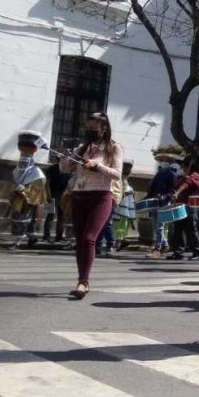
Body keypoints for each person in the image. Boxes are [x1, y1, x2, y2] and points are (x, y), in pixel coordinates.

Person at [60, 112, 123, 299]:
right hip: (79, 195)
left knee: (89, 238)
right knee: (80, 240)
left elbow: (117, 174)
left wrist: (97, 166)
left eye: (93, 128)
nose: (89, 132)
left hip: (101, 196)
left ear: (104, 128)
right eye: (87, 128)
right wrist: (65, 157)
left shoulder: (113, 148)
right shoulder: (82, 148)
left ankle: (83, 282)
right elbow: (64, 169)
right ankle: (82, 279)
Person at [10, 130, 51, 248]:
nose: (22, 163)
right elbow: (15, 180)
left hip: (27, 201)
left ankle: (17, 242)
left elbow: (37, 191)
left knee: (24, 219)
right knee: (21, 219)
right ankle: (31, 238)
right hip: (18, 199)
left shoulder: (37, 173)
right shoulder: (17, 170)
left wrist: (25, 191)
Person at [165, 157, 199, 261]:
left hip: (190, 206)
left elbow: (187, 184)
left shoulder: (194, 176)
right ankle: (178, 252)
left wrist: (177, 192)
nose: (182, 167)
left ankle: (197, 251)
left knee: (191, 229)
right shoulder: (182, 176)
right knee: (178, 228)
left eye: (184, 165)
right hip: (180, 205)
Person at [43, 155, 70, 242]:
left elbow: (68, 184)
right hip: (52, 194)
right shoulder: (52, 169)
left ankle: (59, 236)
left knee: (61, 216)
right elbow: (47, 183)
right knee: (50, 215)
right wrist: (48, 195)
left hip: (62, 196)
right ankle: (46, 236)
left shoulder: (67, 171)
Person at [112, 159, 136, 250]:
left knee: (123, 224)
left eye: (129, 167)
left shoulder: (125, 180)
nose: (128, 170)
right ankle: (120, 241)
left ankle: (120, 241)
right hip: (120, 206)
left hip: (126, 206)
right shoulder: (119, 178)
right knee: (119, 224)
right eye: (126, 167)